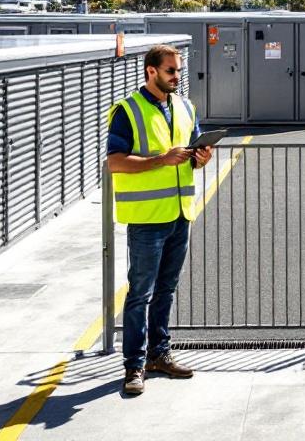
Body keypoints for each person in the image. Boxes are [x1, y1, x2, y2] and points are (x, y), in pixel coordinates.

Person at [107, 44, 213, 396]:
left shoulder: (185, 107)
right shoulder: (127, 110)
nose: (177, 76)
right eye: (170, 70)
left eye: (179, 70)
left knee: (166, 291)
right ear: (150, 71)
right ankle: (133, 367)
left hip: (180, 214)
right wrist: (160, 161)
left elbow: (193, 159)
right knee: (140, 294)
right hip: (147, 219)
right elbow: (115, 162)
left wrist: (202, 157)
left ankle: (159, 355)